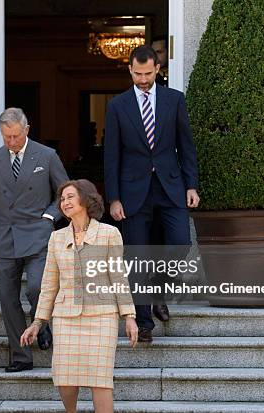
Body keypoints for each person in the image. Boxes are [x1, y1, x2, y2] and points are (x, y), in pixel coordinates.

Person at [104, 45, 200, 343]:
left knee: (180, 243)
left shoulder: (175, 100)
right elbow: (112, 155)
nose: (143, 79)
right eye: (137, 73)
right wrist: (114, 198)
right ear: (130, 70)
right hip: (133, 191)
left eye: (147, 73)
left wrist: (191, 185)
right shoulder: (117, 106)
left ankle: (159, 290)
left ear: (158, 69)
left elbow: (186, 146)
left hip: (170, 186)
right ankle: (144, 323)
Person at [21, 179, 138, 413]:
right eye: (62, 199)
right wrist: (38, 321)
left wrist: (129, 316)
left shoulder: (109, 234)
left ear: (85, 199)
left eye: (70, 197)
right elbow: (49, 284)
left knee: (100, 380)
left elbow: (119, 278)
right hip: (66, 318)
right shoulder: (56, 238)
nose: (65, 202)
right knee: (64, 379)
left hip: (101, 317)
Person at [0, 107, 69, 372]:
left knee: (36, 288)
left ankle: (40, 323)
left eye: (16, 136)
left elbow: (65, 193)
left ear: (27, 130)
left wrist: (49, 218)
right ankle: (20, 356)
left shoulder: (47, 155)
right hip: (5, 238)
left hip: (37, 234)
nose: (11, 142)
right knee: (8, 300)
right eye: (6, 136)